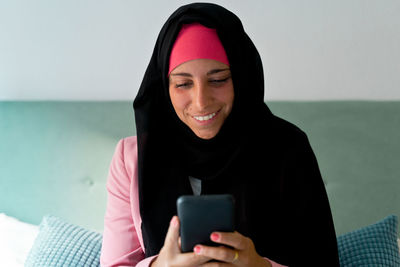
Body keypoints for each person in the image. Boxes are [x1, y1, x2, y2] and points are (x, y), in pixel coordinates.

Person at [100, 3, 339, 267]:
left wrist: (261, 266)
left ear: (241, 78)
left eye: (218, 80)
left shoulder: (288, 149)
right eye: (183, 84)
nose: (201, 102)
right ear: (164, 88)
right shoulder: (131, 160)